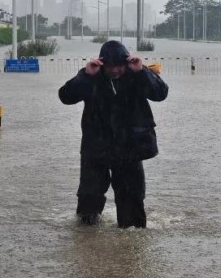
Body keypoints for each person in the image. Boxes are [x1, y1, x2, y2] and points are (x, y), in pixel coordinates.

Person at [59, 40, 168, 228]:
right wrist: (86, 75)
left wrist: (142, 71)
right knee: (89, 197)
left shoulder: (138, 75)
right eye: (110, 67)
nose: (115, 71)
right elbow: (65, 97)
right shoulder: (90, 76)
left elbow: (161, 93)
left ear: (126, 63)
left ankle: (130, 243)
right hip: (96, 148)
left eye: (119, 66)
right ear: (102, 65)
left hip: (129, 149)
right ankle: (85, 239)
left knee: (131, 203)